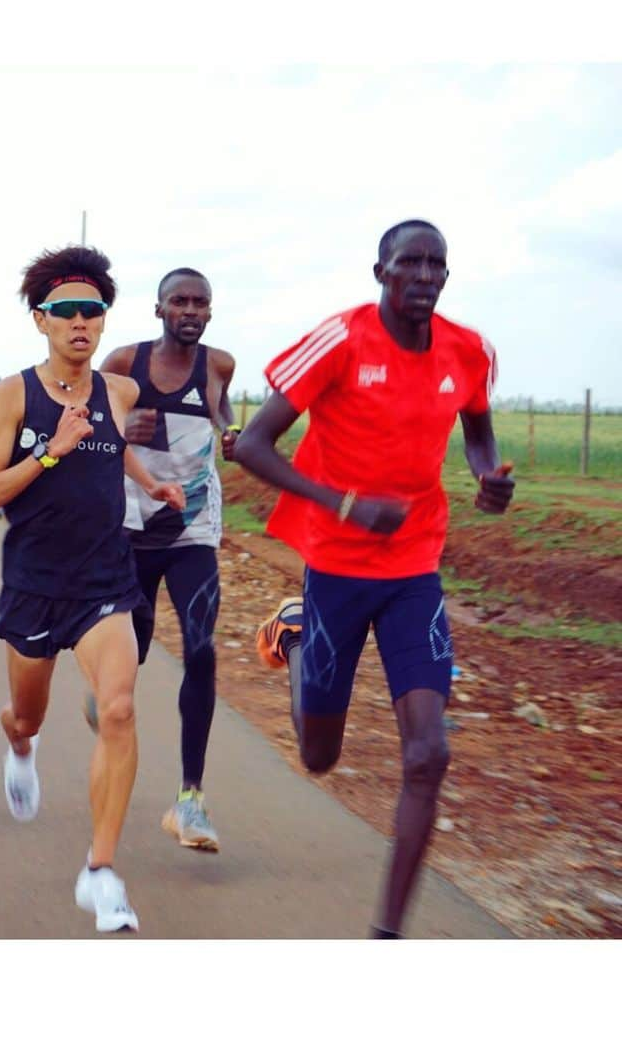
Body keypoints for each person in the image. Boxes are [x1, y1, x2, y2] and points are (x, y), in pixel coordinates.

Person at [234, 220, 515, 937]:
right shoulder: (342, 340)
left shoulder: (468, 350)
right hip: (334, 563)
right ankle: (293, 634)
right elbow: (255, 447)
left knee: (429, 752)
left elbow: (477, 426)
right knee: (319, 756)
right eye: (409, 263)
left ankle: (386, 938)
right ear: (380, 272)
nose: (424, 275)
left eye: (436, 264)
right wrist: (347, 504)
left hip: (415, 567)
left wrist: (486, 474)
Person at [0, 245, 185, 934]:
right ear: (40, 321)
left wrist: (149, 481)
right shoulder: (12, 395)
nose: (80, 323)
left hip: (105, 582)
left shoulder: (116, 392)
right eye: (65, 311)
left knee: (118, 710)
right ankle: (20, 745)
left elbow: (113, 443)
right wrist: (49, 451)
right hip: (35, 586)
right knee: (26, 714)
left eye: (91, 312)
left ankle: (100, 872)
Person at [100, 267, 237, 852]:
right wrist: (125, 426)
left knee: (201, 648)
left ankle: (190, 800)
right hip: (131, 523)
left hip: (191, 525)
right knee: (134, 641)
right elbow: (92, 427)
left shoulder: (219, 364)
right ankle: (107, 687)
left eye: (200, 302)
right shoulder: (124, 362)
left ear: (210, 311)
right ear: (158, 309)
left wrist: (229, 432)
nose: (190, 310)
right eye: (178, 300)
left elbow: (221, 410)